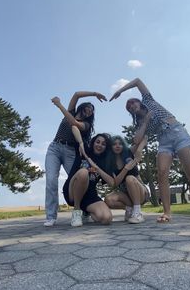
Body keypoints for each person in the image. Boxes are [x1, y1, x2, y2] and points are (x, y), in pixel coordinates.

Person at [110, 77, 190, 223]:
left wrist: (120, 91)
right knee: (162, 173)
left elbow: (137, 81)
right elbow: (137, 140)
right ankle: (167, 213)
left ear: (139, 102)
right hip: (163, 141)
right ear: (131, 112)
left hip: (177, 132)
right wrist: (146, 121)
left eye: (133, 102)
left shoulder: (149, 100)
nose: (131, 105)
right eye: (129, 107)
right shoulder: (140, 122)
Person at [44, 91, 107, 227]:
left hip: (71, 151)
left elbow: (73, 123)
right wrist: (95, 93)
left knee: (80, 178)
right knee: (51, 180)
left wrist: (59, 104)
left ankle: (84, 208)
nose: (89, 111)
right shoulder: (71, 111)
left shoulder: (86, 125)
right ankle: (51, 216)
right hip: (55, 148)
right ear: (82, 107)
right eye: (88, 108)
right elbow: (76, 94)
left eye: (91, 111)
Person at [63, 128, 138, 227]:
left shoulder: (105, 162)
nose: (99, 145)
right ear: (93, 142)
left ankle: (86, 211)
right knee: (83, 173)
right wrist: (80, 142)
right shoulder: (85, 149)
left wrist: (97, 168)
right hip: (72, 191)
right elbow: (74, 127)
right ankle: (77, 211)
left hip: (89, 196)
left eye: (103, 144)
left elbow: (113, 183)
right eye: (98, 142)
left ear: (106, 147)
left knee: (106, 218)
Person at [104, 135, 150, 224]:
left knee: (129, 178)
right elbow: (115, 183)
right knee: (108, 200)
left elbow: (144, 138)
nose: (117, 146)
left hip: (141, 192)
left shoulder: (129, 151)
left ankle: (137, 213)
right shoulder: (110, 163)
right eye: (114, 144)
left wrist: (139, 151)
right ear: (111, 147)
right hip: (126, 195)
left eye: (120, 144)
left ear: (123, 145)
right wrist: (126, 169)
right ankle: (130, 208)